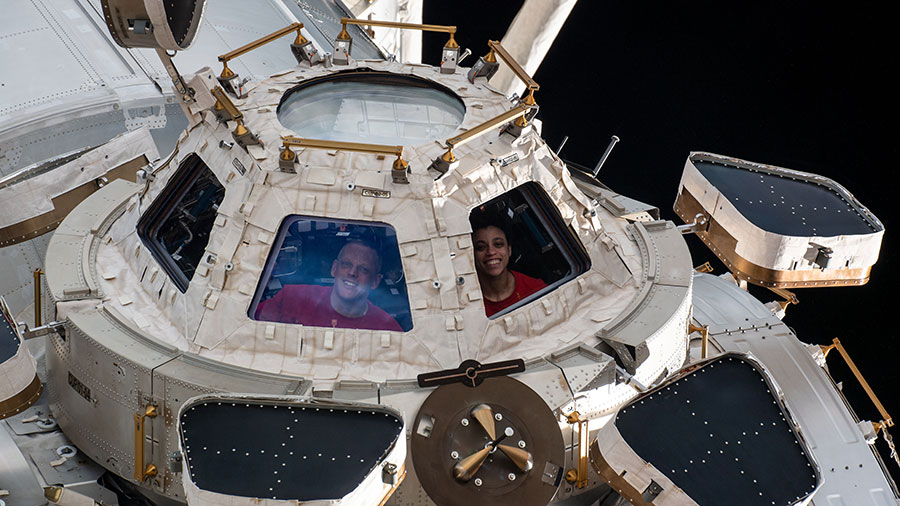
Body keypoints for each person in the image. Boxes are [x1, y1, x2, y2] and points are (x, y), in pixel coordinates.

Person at [255, 240, 402, 331]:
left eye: (364, 270)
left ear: (376, 281)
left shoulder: (387, 327)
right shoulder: (290, 298)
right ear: (334, 268)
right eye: (346, 264)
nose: (352, 272)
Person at [472, 224, 546, 316]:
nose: (491, 252)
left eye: (498, 244)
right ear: (471, 254)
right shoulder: (466, 305)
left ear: (509, 250)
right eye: (481, 247)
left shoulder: (536, 289)